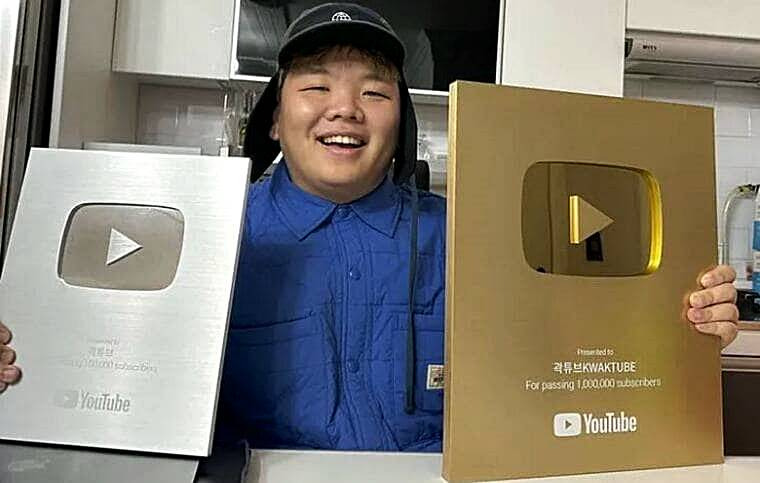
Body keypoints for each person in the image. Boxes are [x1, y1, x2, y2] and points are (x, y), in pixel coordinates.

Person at [0, 3, 740, 453]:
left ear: (402, 124)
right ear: (276, 119)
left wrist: (678, 323)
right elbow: (97, 370)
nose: (344, 109)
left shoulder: (477, 240)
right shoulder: (207, 232)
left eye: (374, 93)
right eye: (316, 86)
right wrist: (21, 358)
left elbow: (579, 354)